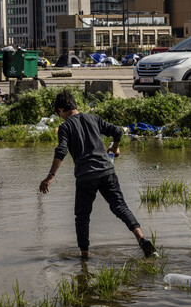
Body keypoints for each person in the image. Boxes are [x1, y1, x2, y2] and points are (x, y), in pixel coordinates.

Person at [39, 90, 157, 259]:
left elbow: (62, 150)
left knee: (82, 217)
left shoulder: (65, 127)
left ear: (60, 111)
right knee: (120, 206)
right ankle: (141, 238)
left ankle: (85, 257)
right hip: (106, 171)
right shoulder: (94, 119)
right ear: (76, 105)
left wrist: (50, 176)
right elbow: (118, 131)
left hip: (86, 176)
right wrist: (115, 147)